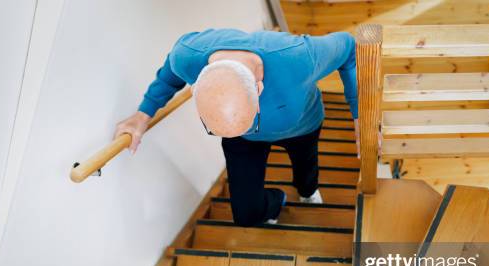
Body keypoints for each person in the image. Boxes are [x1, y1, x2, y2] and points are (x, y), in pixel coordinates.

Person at [114, 29, 358, 226]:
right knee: (246, 216)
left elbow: (348, 46)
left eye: (248, 123)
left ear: (259, 90)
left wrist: (358, 115)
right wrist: (143, 114)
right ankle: (277, 200)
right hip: (241, 143)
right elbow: (169, 76)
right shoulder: (186, 56)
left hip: (302, 127)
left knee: (306, 173)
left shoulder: (299, 57)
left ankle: (307, 191)